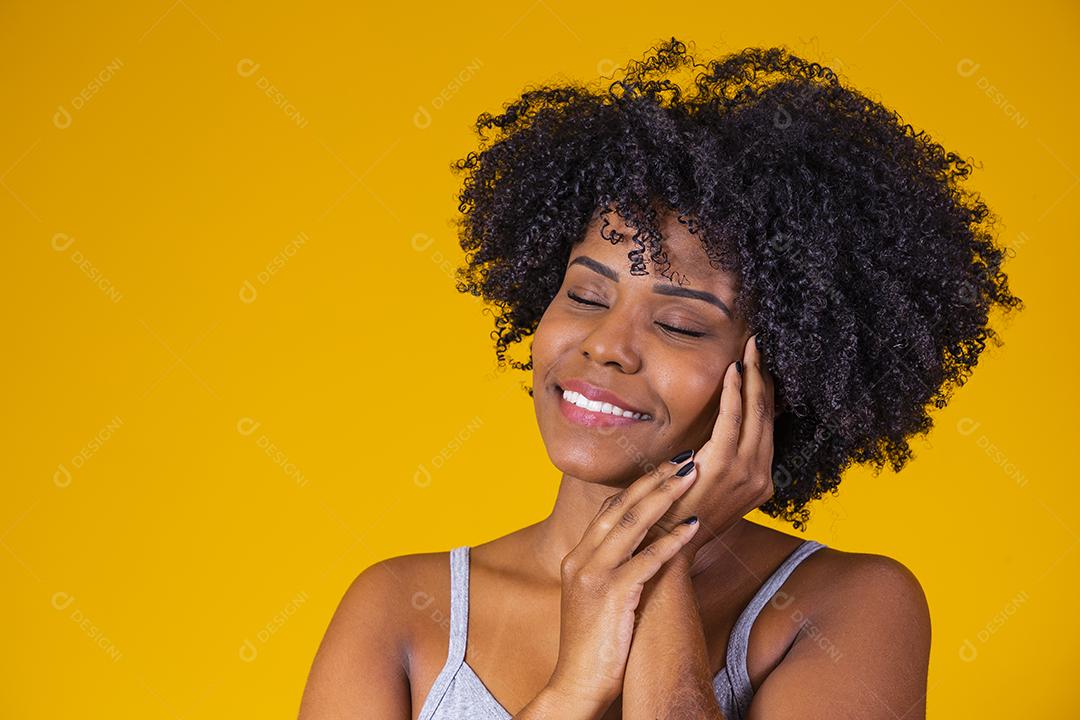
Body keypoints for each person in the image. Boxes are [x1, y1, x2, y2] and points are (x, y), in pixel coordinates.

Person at [298, 39, 1022, 719]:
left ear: (783, 367)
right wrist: (573, 688)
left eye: (679, 325)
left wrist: (663, 557)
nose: (606, 346)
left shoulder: (850, 606)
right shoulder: (399, 608)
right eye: (584, 295)